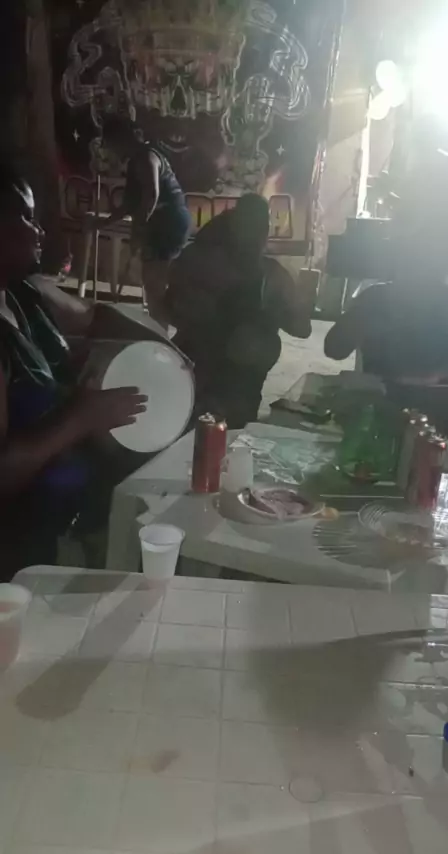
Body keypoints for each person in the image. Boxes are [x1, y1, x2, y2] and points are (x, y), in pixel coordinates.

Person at [0, 164, 155, 577]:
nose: (40, 230)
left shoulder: (24, 292)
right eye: (27, 217)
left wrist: (167, 352)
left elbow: (95, 318)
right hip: (16, 552)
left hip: (64, 515)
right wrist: (81, 416)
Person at [166, 194, 313, 427]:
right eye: (253, 227)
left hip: (227, 384)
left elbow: (302, 328)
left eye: (260, 228)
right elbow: (172, 307)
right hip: (200, 377)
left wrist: (272, 312)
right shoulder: (203, 261)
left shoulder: (271, 275)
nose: (257, 236)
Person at [324, 213, 448, 383]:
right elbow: (334, 349)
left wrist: (442, 374)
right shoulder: (375, 299)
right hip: (378, 397)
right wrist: (361, 321)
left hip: (434, 398)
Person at [101, 114, 191, 323]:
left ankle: (161, 332)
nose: (112, 151)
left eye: (111, 145)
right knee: (152, 283)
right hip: (163, 223)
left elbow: (151, 196)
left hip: (167, 224)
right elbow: (129, 204)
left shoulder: (145, 158)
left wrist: (138, 231)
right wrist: (103, 223)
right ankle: (158, 327)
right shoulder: (137, 160)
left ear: (120, 140)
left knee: (154, 284)